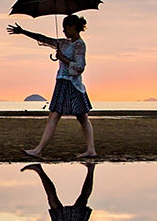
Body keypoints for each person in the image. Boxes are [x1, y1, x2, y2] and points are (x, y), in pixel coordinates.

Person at [7, 14, 95, 159]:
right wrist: (23, 32)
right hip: (62, 82)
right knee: (63, 116)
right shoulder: (64, 43)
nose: (64, 31)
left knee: (77, 117)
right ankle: (40, 149)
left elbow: (80, 68)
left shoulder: (80, 44)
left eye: (65, 28)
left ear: (73, 27)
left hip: (72, 85)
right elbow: (42, 38)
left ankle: (40, 150)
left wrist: (63, 59)